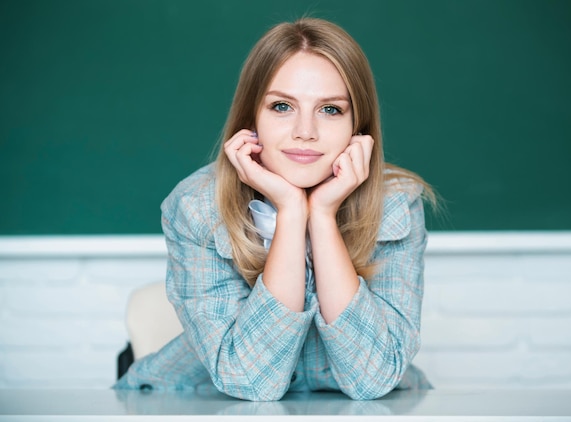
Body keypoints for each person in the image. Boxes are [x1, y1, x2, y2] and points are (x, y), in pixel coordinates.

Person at [114, 17, 434, 401]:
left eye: (330, 110)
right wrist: (290, 210)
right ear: (252, 119)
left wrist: (321, 216)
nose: (305, 131)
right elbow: (249, 382)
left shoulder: (397, 203)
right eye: (282, 106)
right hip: (191, 402)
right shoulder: (197, 207)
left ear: (358, 126)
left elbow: (372, 379)